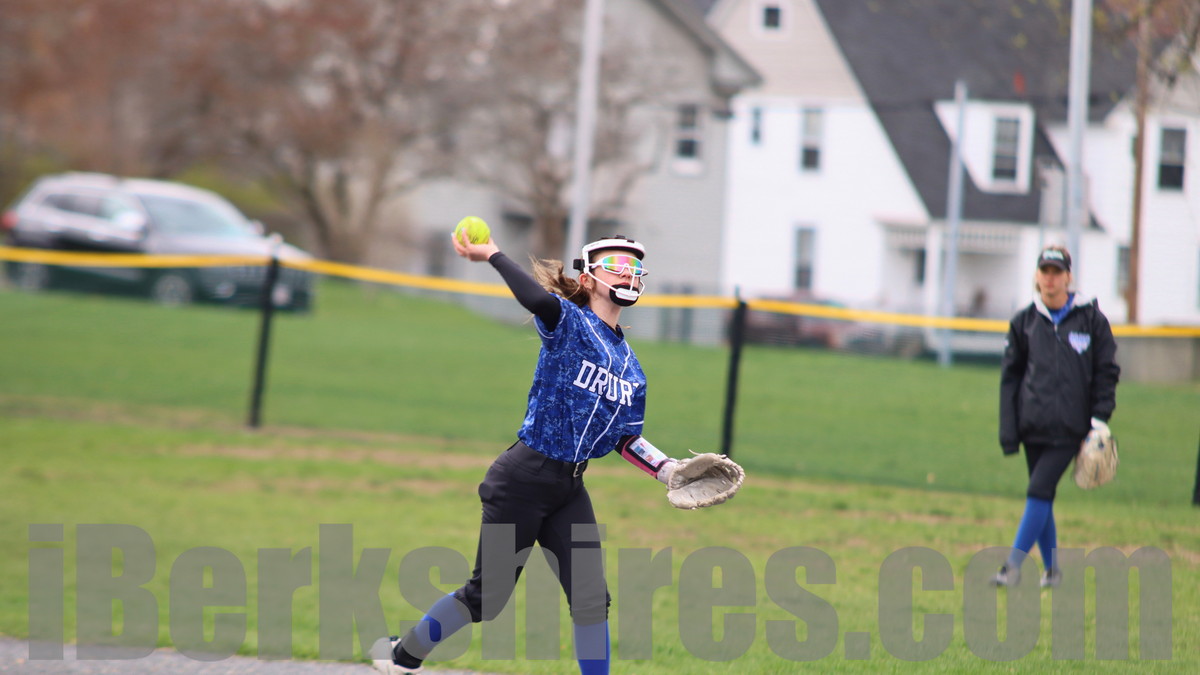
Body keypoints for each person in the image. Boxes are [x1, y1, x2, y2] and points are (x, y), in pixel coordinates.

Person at [373, 231, 686, 675]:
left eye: (635, 267)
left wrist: (667, 469)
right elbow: (538, 300)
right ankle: (402, 656)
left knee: (591, 600)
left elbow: (624, 437)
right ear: (588, 277)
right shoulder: (570, 323)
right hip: (521, 480)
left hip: (569, 488)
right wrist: (493, 254)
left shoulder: (632, 368)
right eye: (617, 264)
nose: (628, 274)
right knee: (485, 599)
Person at [995, 245, 1120, 588]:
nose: (1050, 279)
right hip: (1032, 424)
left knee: (1038, 489)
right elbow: (1010, 379)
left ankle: (1011, 567)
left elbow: (1106, 371)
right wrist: (1009, 430)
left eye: (1057, 272)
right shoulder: (1024, 322)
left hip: (1071, 428)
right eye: (1045, 271)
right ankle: (1053, 572)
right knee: (1043, 497)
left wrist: (1099, 418)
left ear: (1068, 277)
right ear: (1037, 277)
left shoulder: (1090, 320)